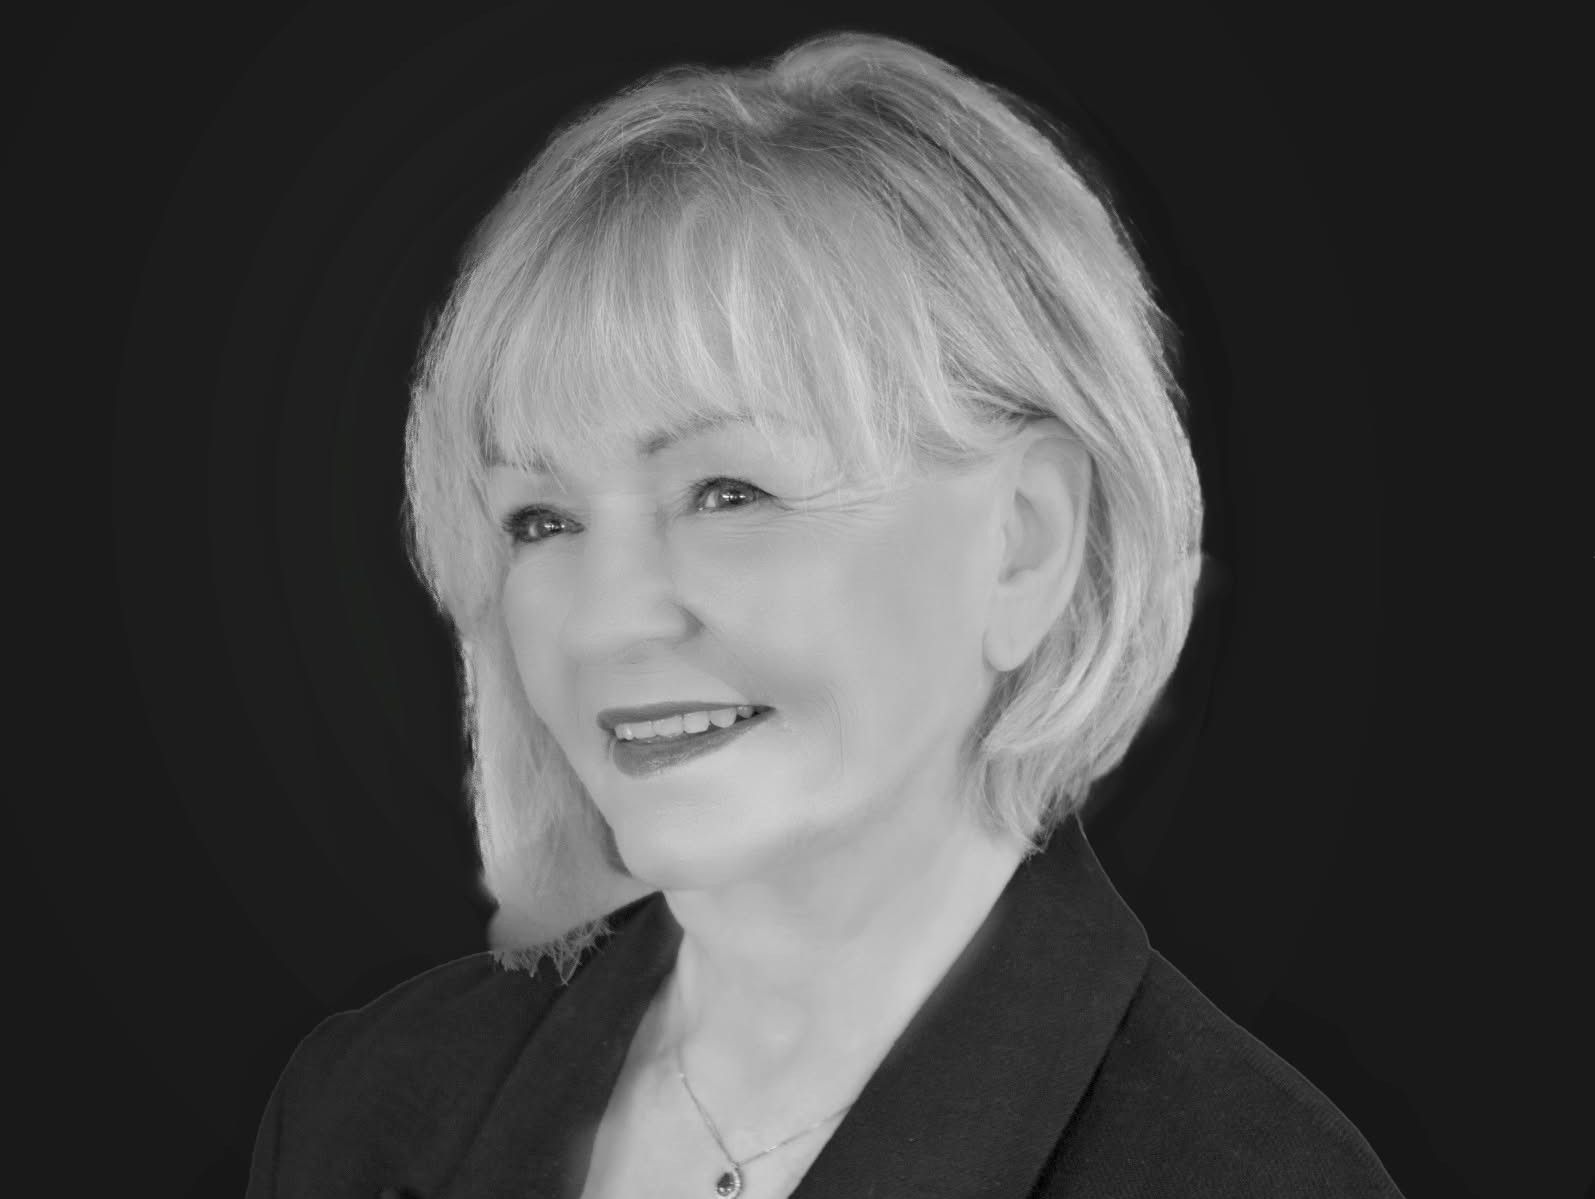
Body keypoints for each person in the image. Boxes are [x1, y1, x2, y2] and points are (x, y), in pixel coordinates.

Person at [247, 30, 1404, 1199]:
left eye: (727, 491)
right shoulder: (358, 1110)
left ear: (1023, 541)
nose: (603, 623)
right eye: (541, 518)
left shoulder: (1249, 1175)